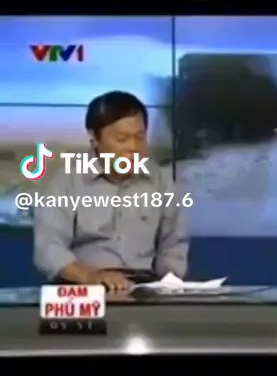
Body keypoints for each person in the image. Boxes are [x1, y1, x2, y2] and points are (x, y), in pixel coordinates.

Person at [34, 91, 189, 291]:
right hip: (83, 287)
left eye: (139, 138)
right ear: (94, 137)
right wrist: (89, 276)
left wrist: (169, 285)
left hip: (144, 289)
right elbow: (48, 248)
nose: (133, 147)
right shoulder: (67, 181)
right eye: (122, 139)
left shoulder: (161, 182)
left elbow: (173, 243)